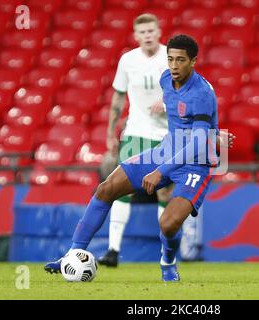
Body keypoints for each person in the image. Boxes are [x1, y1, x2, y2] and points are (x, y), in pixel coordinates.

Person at [45, 34, 233, 281]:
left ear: (193, 61)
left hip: (195, 163)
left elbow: (197, 142)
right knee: (106, 189)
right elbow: (180, 113)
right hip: (166, 150)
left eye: (180, 60)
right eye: (170, 59)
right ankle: (73, 253)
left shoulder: (202, 93)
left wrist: (161, 171)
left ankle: (168, 262)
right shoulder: (166, 79)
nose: (174, 66)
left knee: (168, 224)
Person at [98, 13, 171, 267]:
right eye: (142, 32)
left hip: (168, 136)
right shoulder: (127, 60)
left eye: (151, 30)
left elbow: (189, 90)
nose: (147, 35)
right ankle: (113, 251)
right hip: (136, 131)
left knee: (165, 192)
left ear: (159, 31)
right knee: (120, 187)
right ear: (135, 35)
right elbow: (118, 99)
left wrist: (168, 100)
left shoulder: (172, 56)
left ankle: (166, 255)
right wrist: (110, 132)